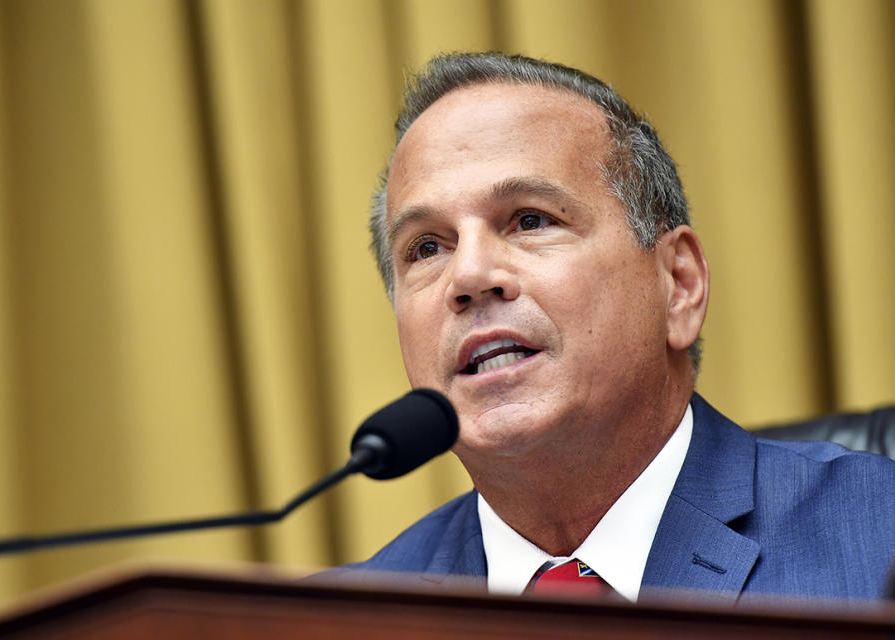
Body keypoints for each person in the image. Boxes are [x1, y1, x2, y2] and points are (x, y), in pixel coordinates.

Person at [336, 52, 895, 603]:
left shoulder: (878, 545)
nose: (471, 275)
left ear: (678, 284)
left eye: (531, 220)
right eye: (427, 248)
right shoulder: (339, 617)